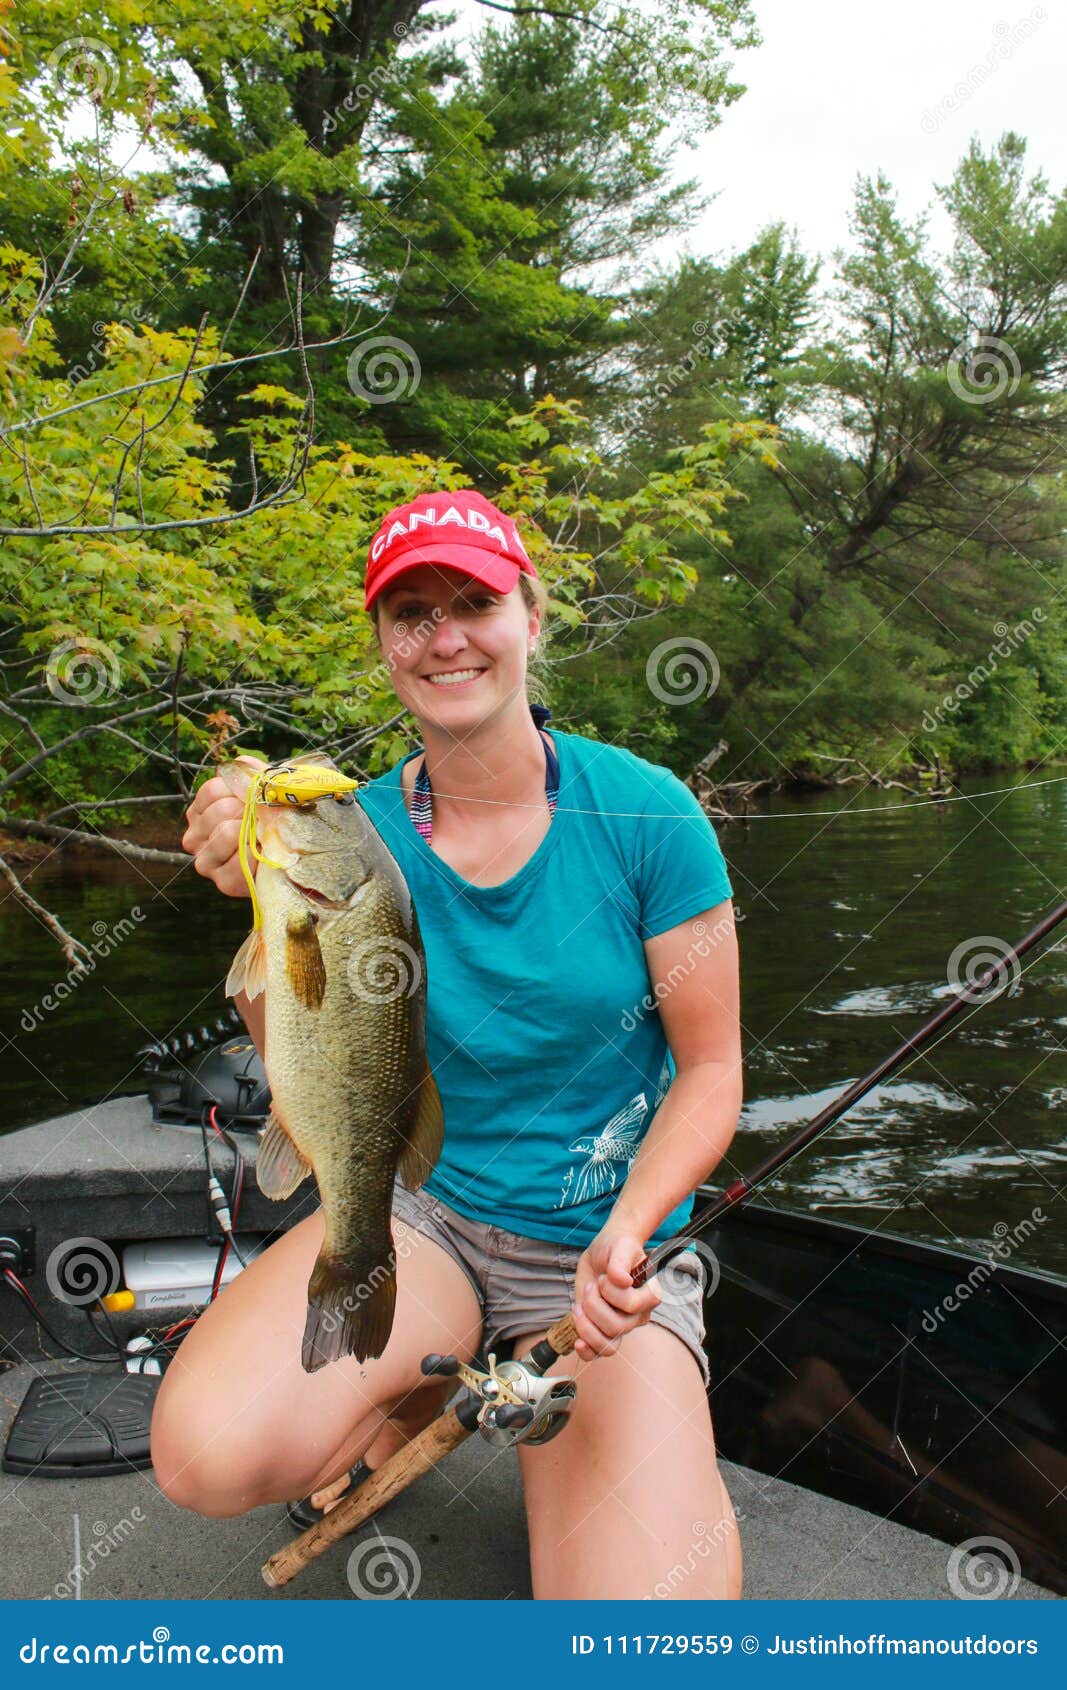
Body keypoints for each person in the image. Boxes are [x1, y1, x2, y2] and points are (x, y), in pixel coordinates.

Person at [152, 487, 744, 1600]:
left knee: (645, 1636)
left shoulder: (648, 812)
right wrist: (258, 898)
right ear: (383, 645)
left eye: (472, 601)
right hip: (424, 1211)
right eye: (409, 612)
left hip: (598, 1256)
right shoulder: (344, 828)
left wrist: (626, 1236)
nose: (444, 635)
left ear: (530, 614)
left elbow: (711, 1072)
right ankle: (415, 1389)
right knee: (202, 1455)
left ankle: (514, 1414)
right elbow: (305, 1051)